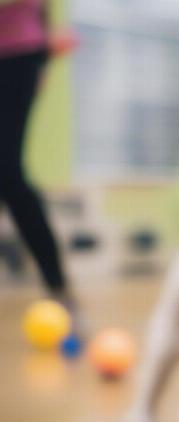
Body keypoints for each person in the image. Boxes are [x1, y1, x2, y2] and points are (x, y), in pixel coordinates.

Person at [0, 0, 78, 317]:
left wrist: (43, 57)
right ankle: (55, 281)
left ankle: (56, 282)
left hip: (17, 56)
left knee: (7, 172)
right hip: (23, 54)